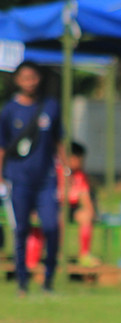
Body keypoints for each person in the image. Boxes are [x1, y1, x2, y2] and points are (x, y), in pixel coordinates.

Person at [0, 61, 63, 295]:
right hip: (19, 178)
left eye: (33, 77)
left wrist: (65, 172)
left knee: (51, 226)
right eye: (25, 77)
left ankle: (48, 279)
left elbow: (59, 141)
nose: (30, 82)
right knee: (21, 229)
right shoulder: (9, 110)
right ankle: (22, 282)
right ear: (17, 80)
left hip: (46, 179)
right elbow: (2, 147)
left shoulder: (51, 106)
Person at [60, 141, 98, 267]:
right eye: (80, 159)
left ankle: (84, 254)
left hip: (73, 208)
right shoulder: (58, 173)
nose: (82, 162)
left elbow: (85, 197)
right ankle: (59, 254)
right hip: (59, 208)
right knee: (59, 219)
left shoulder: (81, 176)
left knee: (85, 216)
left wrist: (91, 211)